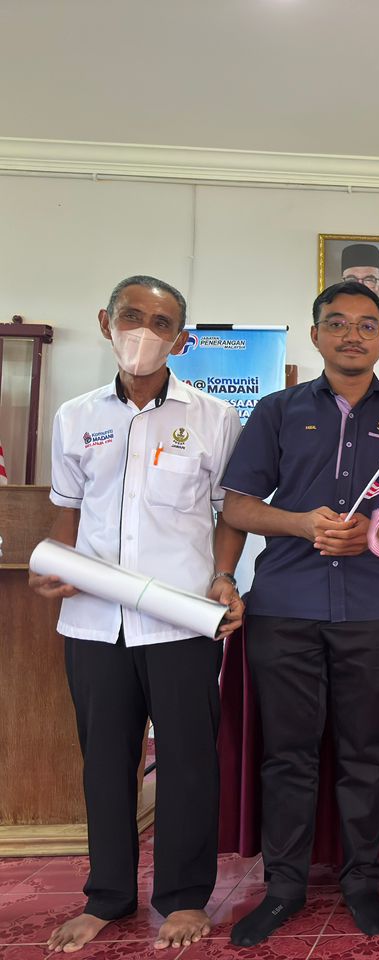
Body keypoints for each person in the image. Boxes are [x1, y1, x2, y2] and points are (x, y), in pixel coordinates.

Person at [219, 280, 379, 946]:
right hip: (284, 609)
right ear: (316, 334)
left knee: (365, 752)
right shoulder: (276, 411)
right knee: (287, 755)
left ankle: (361, 882)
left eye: (366, 325)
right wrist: (301, 522)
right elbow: (237, 505)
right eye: (337, 323)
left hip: (374, 611)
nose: (352, 335)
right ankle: (284, 887)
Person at [30, 275, 245, 953]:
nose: (143, 333)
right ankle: (108, 895)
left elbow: (230, 514)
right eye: (131, 316)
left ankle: (184, 896)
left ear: (181, 339)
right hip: (93, 620)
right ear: (106, 322)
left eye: (160, 323)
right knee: (105, 762)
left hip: (182, 618)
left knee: (187, 761)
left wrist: (224, 578)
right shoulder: (75, 416)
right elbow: (67, 511)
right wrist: (55, 563)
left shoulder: (215, 417)